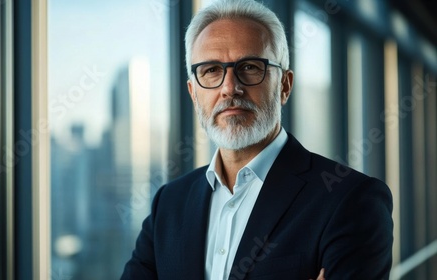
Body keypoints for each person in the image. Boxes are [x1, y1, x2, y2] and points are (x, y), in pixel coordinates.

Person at [121, 0, 393, 279]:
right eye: (211, 70)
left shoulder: (351, 200)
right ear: (193, 93)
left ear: (284, 86)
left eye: (250, 67)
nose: (230, 88)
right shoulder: (169, 203)